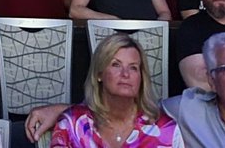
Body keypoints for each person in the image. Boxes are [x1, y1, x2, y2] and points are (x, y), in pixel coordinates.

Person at [42, 33, 177, 147]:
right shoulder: (72, 124)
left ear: (141, 78)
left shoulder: (166, 129)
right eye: (116, 65)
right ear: (99, 74)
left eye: (133, 67)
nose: (125, 74)